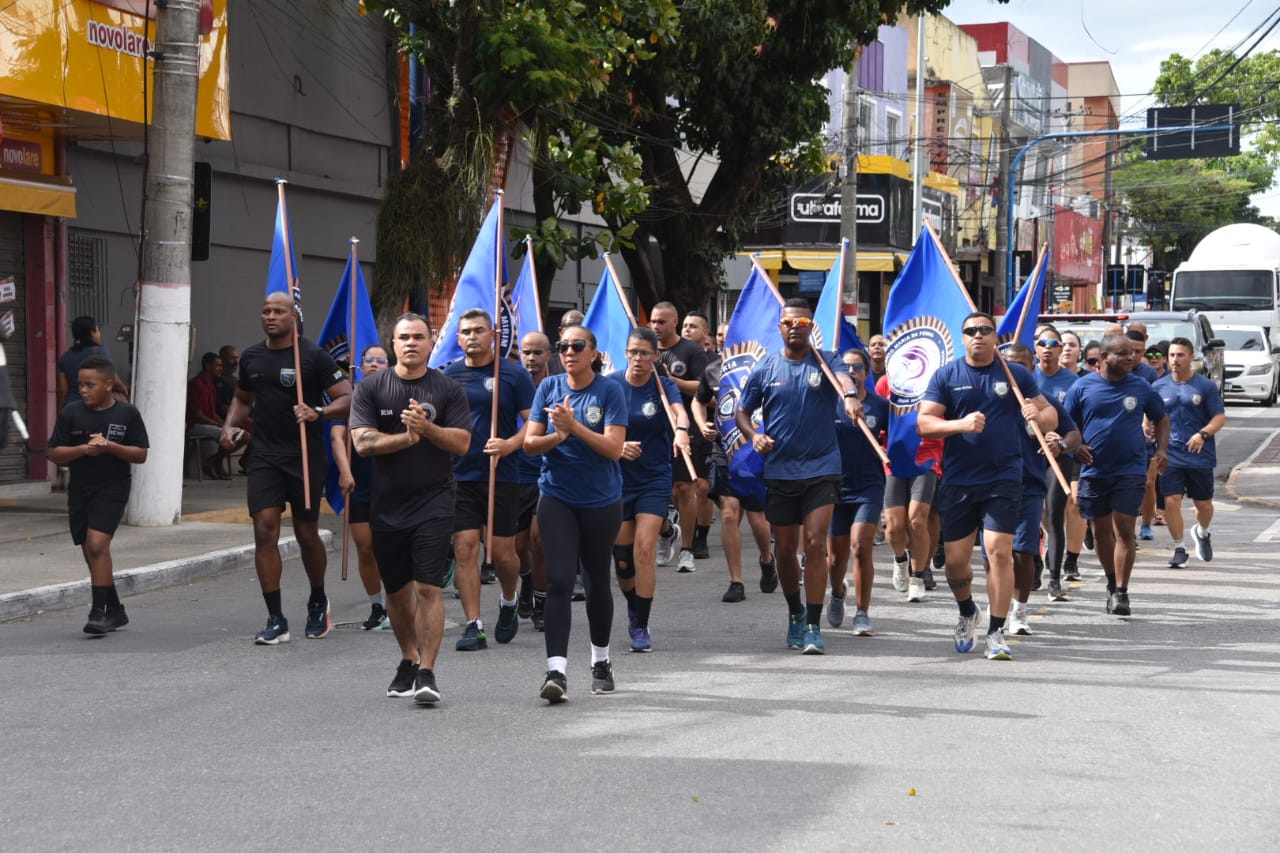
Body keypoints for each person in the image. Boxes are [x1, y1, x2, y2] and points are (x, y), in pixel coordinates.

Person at [917, 311, 1054, 661]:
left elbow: (1051, 414)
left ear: (996, 337)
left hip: (1004, 478)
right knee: (955, 564)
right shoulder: (947, 375)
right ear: (962, 338)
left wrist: (1036, 416)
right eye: (970, 331)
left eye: (985, 330)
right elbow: (924, 423)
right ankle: (967, 612)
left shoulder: (1015, 373)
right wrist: (960, 425)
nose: (978, 335)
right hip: (959, 480)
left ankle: (996, 631)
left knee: (999, 552)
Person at [350, 314, 471, 703]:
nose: (411, 343)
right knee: (399, 594)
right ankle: (408, 658)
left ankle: (428, 672)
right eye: (404, 337)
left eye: (419, 336)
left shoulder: (448, 388)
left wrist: (427, 430)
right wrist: (406, 438)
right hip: (386, 505)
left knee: (428, 587)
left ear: (431, 340)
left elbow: (462, 443)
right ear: (393, 343)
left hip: (434, 500)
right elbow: (362, 444)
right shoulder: (370, 388)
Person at [220, 292, 352, 644]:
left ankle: (317, 598)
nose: (271, 316)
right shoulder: (251, 356)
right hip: (264, 455)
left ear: (295, 315)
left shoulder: (314, 356)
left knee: (307, 533)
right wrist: (230, 426)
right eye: (265, 311)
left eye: (279, 311)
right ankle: (275, 617)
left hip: (305, 456)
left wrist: (318, 412)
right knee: (264, 530)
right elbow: (242, 399)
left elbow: (348, 397)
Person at [736, 299, 862, 655]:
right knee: (787, 550)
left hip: (822, 468)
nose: (795, 326)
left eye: (802, 321)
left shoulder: (826, 359)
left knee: (816, 543)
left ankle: (812, 624)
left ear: (810, 327)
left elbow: (843, 380)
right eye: (789, 321)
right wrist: (753, 435)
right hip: (779, 470)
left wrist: (850, 397)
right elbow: (744, 411)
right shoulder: (765, 368)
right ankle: (794, 612)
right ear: (780, 327)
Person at [525, 325, 627, 702]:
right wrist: (558, 436)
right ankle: (556, 672)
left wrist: (575, 427)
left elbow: (615, 449)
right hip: (557, 497)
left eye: (577, 345)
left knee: (597, 580)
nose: (568, 351)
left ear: (594, 352)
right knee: (559, 580)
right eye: (562, 345)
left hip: (602, 500)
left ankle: (600, 660)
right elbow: (530, 445)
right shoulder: (548, 389)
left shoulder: (610, 390)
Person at [443, 308, 537, 651]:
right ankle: (473, 624)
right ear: (458, 338)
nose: (472, 336)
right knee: (465, 549)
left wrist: (510, 444)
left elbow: (533, 421)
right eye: (466, 331)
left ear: (493, 335)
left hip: (502, 475)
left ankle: (509, 600)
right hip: (460, 476)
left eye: (479, 330)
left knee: (502, 555)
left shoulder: (513, 375)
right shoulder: (449, 376)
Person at [1065, 333, 1169, 616]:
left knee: (1124, 529)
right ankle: (1111, 583)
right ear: (1102, 359)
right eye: (1123, 354)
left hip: (1131, 469)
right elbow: (1068, 426)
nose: (1131, 358)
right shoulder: (1082, 387)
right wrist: (1076, 448)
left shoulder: (1141, 387)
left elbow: (1161, 417)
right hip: (1094, 471)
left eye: (1133, 354)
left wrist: (1161, 450)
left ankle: (1122, 592)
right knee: (1100, 534)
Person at [47, 356, 149, 635]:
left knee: (96, 545)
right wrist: (83, 449)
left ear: (107, 385)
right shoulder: (71, 413)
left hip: (113, 487)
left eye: (89, 385)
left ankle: (99, 612)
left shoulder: (127, 414)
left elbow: (140, 454)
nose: (83, 390)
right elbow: (54, 452)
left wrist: (109, 446)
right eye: (80, 384)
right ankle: (116, 610)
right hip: (80, 488)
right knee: (91, 552)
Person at [611, 327, 689, 652]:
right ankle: (634, 602)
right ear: (625, 353)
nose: (639, 359)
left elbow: (678, 411)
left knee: (644, 550)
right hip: (617, 480)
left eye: (645, 353)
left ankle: (641, 625)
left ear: (656, 356)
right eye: (633, 352)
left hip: (654, 478)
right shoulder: (612, 385)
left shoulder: (663, 385)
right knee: (623, 561)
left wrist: (682, 431)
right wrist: (618, 446)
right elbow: (599, 428)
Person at [1004, 343, 1080, 634]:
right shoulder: (988, 401)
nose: (1014, 372)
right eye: (1008, 365)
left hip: (1030, 485)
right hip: (993, 487)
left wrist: (1059, 444)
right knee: (995, 554)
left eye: (1021, 365)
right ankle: (999, 596)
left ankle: (1020, 610)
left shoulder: (1045, 403)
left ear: (1031, 369)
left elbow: (1072, 433)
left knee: (1023, 550)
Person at [692, 350, 776, 602]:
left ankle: (766, 558)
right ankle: (736, 581)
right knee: (728, 513)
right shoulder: (713, 369)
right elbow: (698, 399)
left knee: (758, 520)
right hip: (724, 448)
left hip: (754, 450)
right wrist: (701, 423)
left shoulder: (765, 366)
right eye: (722, 337)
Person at [330, 344, 393, 631]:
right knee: (365, 547)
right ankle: (377, 605)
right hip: (360, 484)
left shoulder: (397, 395)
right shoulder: (352, 400)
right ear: (360, 365)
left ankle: (398, 603)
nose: (375, 364)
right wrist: (345, 472)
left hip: (392, 485)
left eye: (381, 360)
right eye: (370, 359)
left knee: (390, 548)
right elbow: (337, 436)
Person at [826, 348, 888, 636]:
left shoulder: (880, 406)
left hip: (869, 486)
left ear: (866, 373)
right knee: (836, 559)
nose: (852, 372)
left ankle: (862, 613)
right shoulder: (828, 405)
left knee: (861, 546)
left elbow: (899, 440)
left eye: (858, 368)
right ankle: (837, 593)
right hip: (834, 487)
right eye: (846, 367)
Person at [650, 302, 711, 571]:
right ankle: (667, 532)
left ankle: (687, 548)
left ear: (675, 322)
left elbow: (703, 386)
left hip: (685, 428)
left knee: (684, 488)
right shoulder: (646, 350)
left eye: (662, 322)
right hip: (653, 427)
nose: (656, 326)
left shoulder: (691, 351)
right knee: (662, 489)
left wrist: (671, 382)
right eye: (653, 321)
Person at [1155, 337, 1226, 567]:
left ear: (1191, 357)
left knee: (1204, 505)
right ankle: (1179, 547)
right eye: (1172, 355)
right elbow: (1150, 416)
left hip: (1199, 455)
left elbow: (1219, 417)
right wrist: (1146, 426)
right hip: (1170, 454)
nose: (1175, 360)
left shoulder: (1205, 386)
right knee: (1171, 500)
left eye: (1180, 355)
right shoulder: (1158, 387)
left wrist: (1203, 434)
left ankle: (1202, 532)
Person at [877, 370, 943, 602]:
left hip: (926, 456)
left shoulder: (936, 381)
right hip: (895, 459)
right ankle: (900, 560)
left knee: (917, 519)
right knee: (894, 528)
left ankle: (917, 577)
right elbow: (877, 415)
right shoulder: (887, 382)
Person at [1032, 326, 1079, 600]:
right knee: (1030, 513)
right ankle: (1034, 560)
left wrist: (1064, 442)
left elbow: (1074, 424)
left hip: (1059, 454)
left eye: (1053, 343)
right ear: (1035, 348)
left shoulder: (1073, 381)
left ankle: (1054, 579)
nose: (1048, 347)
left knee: (1054, 513)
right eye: (1042, 342)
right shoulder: (1025, 381)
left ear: (1061, 350)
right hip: (1028, 454)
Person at [515, 331, 554, 630]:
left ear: (548, 355)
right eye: (526, 352)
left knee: (539, 539)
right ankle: (527, 581)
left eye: (537, 352)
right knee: (518, 546)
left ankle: (542, 599)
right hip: (516, 474)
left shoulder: (557, 386)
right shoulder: (513, 382)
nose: (531, 358)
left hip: (547, 475)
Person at [188, 352, 245, 479]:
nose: (221, 369)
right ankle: (217, 464)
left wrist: (224, 424)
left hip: (209, 423)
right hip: (196, 425)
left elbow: (212, 412)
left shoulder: (211, 385)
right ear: (208, 366)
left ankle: (212, 461)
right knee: (227, 435)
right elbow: (198, 415)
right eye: (218, 366)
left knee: (243, 435)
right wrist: (219, 425)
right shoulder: (196, 384)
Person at [57, 316, 121, 411]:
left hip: (72, 407)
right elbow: (113, 380)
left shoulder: (65, 357)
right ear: (93, 333)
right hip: (95, 407)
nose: (99, 334)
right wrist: (123, 389)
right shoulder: (101, 353)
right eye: (98, 330)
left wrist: (61, 410)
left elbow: (63, 390)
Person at [546, 308, 584, 375]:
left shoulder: (591, 361)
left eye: (580, 326)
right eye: (570, 326)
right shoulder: (548, 364)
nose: (575, 330)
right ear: (560, 331)